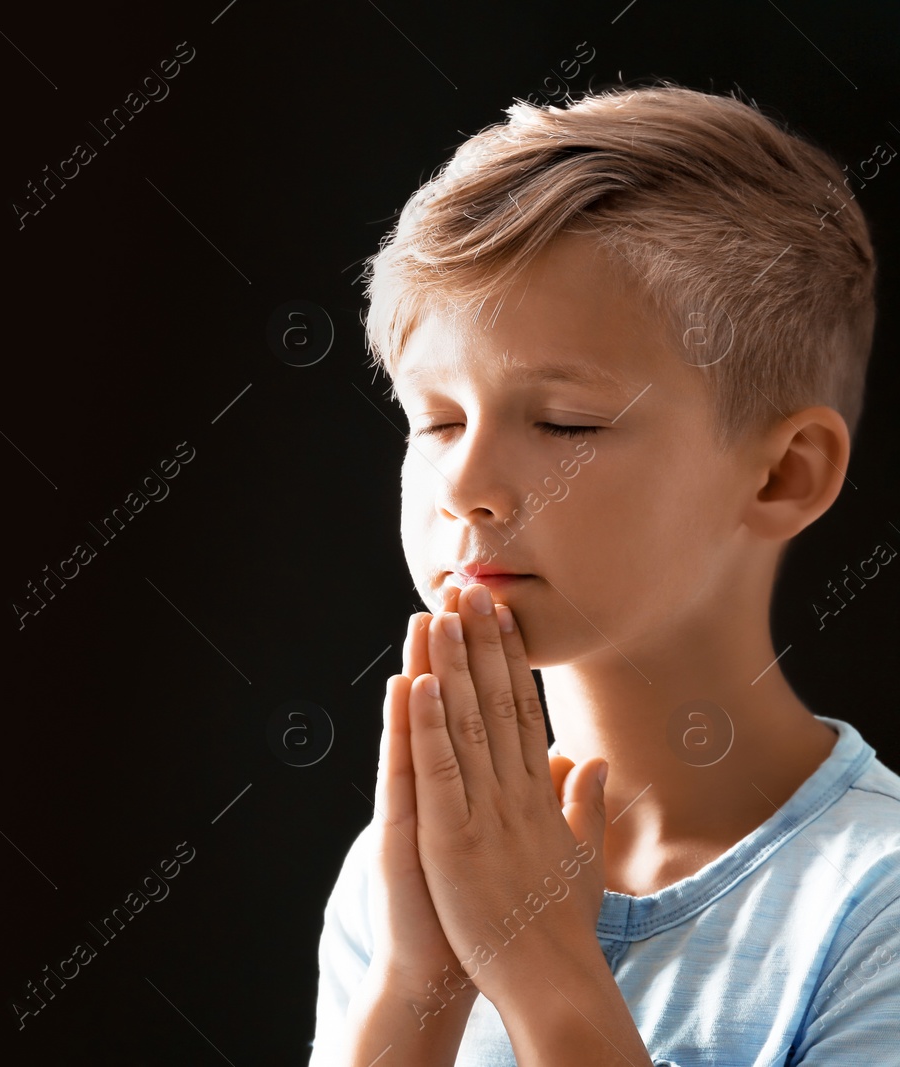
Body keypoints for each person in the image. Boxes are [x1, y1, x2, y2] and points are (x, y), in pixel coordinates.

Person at [308, 81, 900, 1065]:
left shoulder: (868, 904)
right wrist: (419, 985)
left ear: (783, 472)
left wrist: (542, 965)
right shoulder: (402, 877)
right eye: (438, 419)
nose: (465, 483)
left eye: (564, 424)